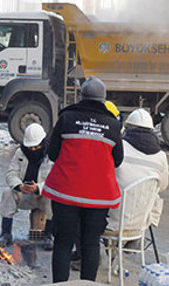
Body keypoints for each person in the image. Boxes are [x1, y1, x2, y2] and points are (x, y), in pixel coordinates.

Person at [43, 76, 123, 282]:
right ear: (104, 99)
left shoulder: (67, 119)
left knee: (63, 243)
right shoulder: (113, 125)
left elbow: (52, 154)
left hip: (66, 192)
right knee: (90, 243)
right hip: (98, 197)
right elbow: (118, 160)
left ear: (82, 96)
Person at [107, 108, 169, 231]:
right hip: (140, 223)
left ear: (127, 128)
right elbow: (162, 186)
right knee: (154, 195)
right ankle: (133, 241)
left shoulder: (119, 147)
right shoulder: (161, 156)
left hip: (113, 219)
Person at [0, 123, 54, 249]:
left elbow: (56, 180)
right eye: (30, 147)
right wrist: (18, 186)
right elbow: (11, 173)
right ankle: (6, 233)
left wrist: (38, 187)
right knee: (7, 192)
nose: (33, 150)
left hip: (43, 196)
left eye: (36, 147)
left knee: (53, 196)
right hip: (24, 194)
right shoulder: (20, 153)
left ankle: (49, 235)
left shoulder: (51, 155)